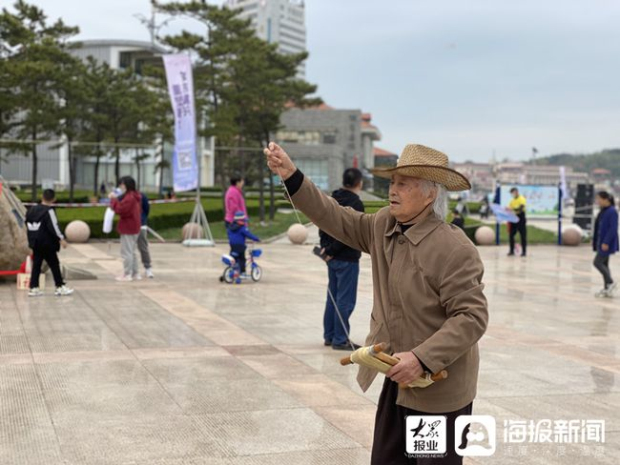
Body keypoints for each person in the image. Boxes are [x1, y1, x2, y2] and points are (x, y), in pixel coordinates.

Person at [265, 142, 488, 464]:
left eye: (403, 184)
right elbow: (334, 216)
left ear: (431, 194)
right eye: (392, 183)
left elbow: (471, 317)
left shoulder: (454, 248)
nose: (392, 191)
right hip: (397, 381)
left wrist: (422, 359)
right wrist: (291, 175)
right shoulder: (384, 225)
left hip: (438, 392)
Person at [319, 168, 365, 351]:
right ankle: (340, 339)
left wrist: (326, 249)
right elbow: (349, 232)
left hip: (331, 257)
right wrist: (332, 249)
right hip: (347, 257)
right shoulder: (356, 203)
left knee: (333, 297)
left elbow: (322, 222)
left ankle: (329, 335)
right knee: (345, 300)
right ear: (359, 183)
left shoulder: (332, 199)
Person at [26, 189, 74, 297]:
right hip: (47, 243)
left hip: (35, 242)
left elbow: (28, 224)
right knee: (54, 264)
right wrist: (61, 238)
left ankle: (33, 288)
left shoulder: (31, 209)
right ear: (54, 199)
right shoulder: (49, 211)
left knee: (37, 265)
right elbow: (54, 226)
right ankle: (60, 286)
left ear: (42, 197)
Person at [109, 176, 142, 282]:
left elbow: (121, 210)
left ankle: (127, 274)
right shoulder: (134, 196)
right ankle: (135, 273)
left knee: (126, 252)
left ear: (127, 185)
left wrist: (113, 200)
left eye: (122, 184)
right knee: (132, 251)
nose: (120, 186)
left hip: (128, 227)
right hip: (134, 226)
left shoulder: (129, 197)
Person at [592, 191, 618, 298]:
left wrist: (606, 242)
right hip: (601, 242)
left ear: (606, 199)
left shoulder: (612, 211)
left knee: (597, 262)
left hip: (606, 243)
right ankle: (607, 288)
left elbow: (613, 228)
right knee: (605, 264)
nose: (597, 201)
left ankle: (610, 282)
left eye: (599, 199)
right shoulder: (603, 211)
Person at [227, 211, 260, 278]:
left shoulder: (230, 227)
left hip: (232, 245)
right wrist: (256, 239)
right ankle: (242, 272)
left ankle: (233, 270)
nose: (244, 222)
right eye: (243, 221)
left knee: (234, 258)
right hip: (240, 245)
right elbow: (249, 235)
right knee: (242, 259)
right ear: (240, 221)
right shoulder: (242, 228)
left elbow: (229, 234)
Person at [137, 191, 154, 279]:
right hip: (129, 226)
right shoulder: (123, 196)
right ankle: (133, 270)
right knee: (128, 250)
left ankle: (148, 268)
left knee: (143, 247)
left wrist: (143, 218)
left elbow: (146, 208)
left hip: (141, 225)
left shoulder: (141, 196)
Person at [508, 187, 527, 256]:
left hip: (521, 218)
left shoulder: (522, 198)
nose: (512, 194)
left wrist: (512, 209)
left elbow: (521, 208)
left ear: (516, 192)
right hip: (513, 219)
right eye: (511, 193)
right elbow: (509, 208)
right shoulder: (512, 201)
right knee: (511, 235)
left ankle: (524, 252)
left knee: (523, 235)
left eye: (513, 193)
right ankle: (511, 250)